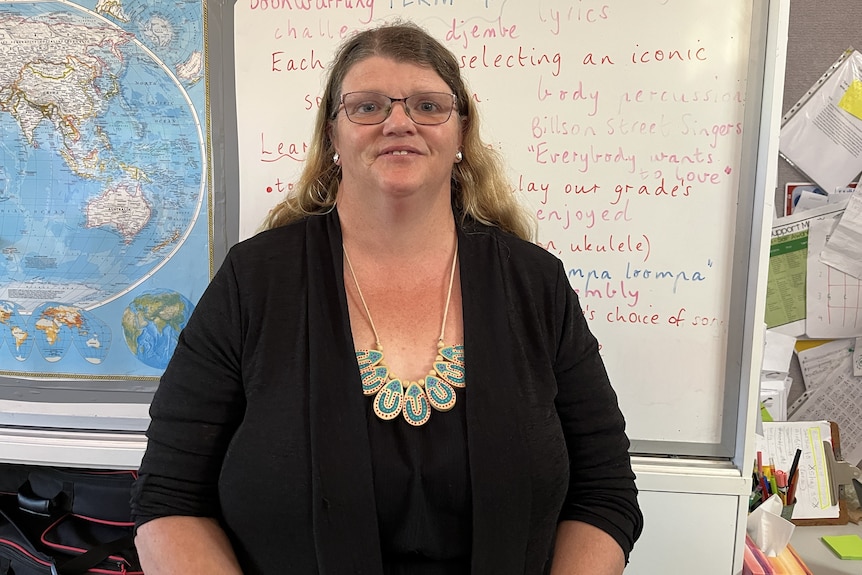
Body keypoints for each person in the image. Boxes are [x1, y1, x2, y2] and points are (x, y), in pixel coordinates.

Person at [131, 20, 643, 575]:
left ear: (461, 134)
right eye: (368, 106)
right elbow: (169, 500)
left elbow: (604, 492)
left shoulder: (536, 284)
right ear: (332, 135)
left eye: (428, 106)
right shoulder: (252, 282)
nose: (399, 122)